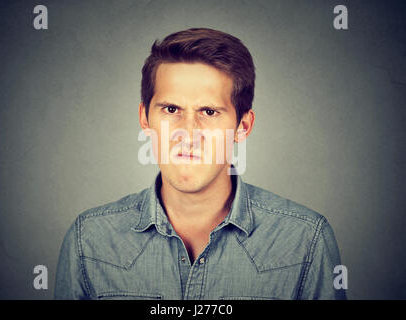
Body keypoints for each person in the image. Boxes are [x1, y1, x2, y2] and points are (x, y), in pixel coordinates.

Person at [54, 28, 346, 300]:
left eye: (208, 111)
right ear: (145, 119)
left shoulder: (306, 240)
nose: (188, 133)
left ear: (243, 126)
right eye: (171, 109)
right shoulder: (88, 240)